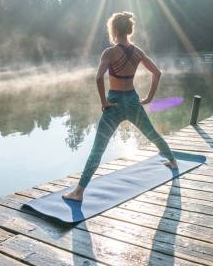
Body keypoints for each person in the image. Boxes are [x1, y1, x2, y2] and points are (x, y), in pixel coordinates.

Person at [63, 12, 178, 202]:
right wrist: (149, 98)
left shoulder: (109, 53)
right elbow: (157, 73)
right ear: (128, 29)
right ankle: (173, 162)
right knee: (151, 133)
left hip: (114, 103)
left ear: (115, 30)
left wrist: (103, 102)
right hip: (132, 100)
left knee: (98, 149)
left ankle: (79, 192)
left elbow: (99, 77)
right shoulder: (138, 51)